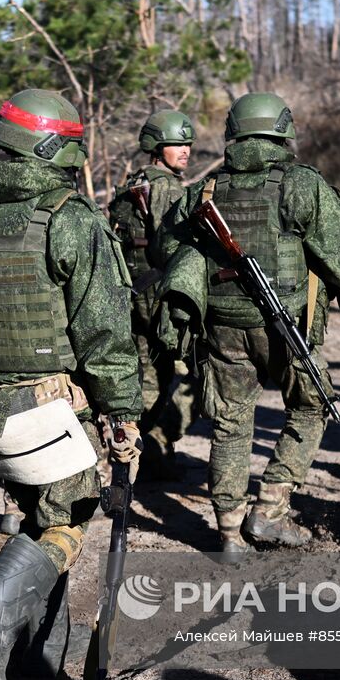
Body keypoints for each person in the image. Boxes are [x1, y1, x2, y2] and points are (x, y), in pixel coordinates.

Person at [0, 89, 142, 680]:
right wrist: (122, 412)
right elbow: (103, 332)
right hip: (53, 416)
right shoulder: (73, 221)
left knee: (34, 516)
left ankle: (40, 654)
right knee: (66, 521)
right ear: (54, 149)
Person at [158, 92, 340, 554]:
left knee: (231, 423)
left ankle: (229, 532)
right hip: (285, 325)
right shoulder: (300, 184)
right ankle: (271, 508)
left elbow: (164, 249)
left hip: (222, 326)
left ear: (233, 134)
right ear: (282, 131)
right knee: (314, 405)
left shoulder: (208, 189)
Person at [110, 110, 199, 481]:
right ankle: (152, 444)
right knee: (191, 375)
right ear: (156, 147)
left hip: (131, 294)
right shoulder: (166, 187)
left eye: (188, 144)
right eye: (177, 143)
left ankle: (140, 452)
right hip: (157, 298)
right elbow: (174, 246)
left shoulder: (130, 185)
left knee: (146, 376)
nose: (186, 151)